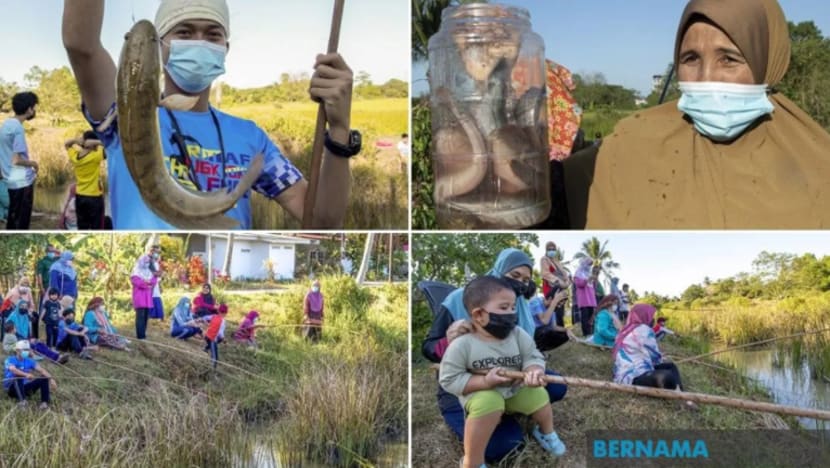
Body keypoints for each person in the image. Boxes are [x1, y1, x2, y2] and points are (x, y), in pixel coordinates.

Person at [62, 0, 356, 230]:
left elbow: (321, 222)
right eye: (184, 32)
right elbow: (80, 44)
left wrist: (340, 129)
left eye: (213, 34)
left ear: (225, 48)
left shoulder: (252, 138)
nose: (199, 42)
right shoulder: (120, 118)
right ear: (162, 45)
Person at [565, 0, 830, 229]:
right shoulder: (630, 145)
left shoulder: (818, 164)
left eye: (728, 59)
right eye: (691, 58)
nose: (706, 78)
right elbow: (564, 184)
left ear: (767, 64)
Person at [422, 248, 568, 462]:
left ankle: (517, 414)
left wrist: (533, 368)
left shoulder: (519, 307)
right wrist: (448, 341)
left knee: (554, 387)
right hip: (469, 385)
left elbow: (530, 352)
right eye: (515, 275)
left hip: (511, 381)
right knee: (505, 445)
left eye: (525, 280)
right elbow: (429, 349)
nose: (520, 283)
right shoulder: (459, 301)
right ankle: (483, 430)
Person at [613, 304, 691, 405]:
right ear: (644, 316)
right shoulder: (644, 329)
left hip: (622, 375)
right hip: (634, 377)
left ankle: (680, 393)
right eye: (651, 316)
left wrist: (659, 358)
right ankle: (681, 394)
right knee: (667, 376)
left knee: (670, 366)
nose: (652, 319)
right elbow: (655, 357)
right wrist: (661, 358)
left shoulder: (625, 330)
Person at [0, 92, 39, 230]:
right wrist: (33, 164)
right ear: (29, 109)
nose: (34, 110)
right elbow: (16, 159)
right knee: (21, 221)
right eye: (34, 107)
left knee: (13, 217)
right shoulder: (18, 128)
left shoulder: (6, 124)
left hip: (10, 179)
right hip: (22, 182)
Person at [3, 340, 56, 409]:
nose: (26, 352)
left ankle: (44, 403)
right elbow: (13, 370)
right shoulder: (10, 359)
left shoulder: (30, 361)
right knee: (18, 376)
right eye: (24, 350)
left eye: (27, 350)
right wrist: (26, 375)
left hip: (25, 388)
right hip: (12, 389)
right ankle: (23, 402)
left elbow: (42, 370)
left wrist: (51, 379)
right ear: (17, 350)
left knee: (44, 378)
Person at [131, 255, 158, 340]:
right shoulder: (136, 271)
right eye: (145, 262)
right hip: (139, 297)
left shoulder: (149, 271)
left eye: (148, 262)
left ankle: (143, 333)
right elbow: (137, 282)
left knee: (146, 316)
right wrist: (147, 284)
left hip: (148, 298)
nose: (147, 264)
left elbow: (154, 280)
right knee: (140, 316)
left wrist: (148, 282)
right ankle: (140, 335)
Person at [573, 258, 597, 336]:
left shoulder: (589, 274)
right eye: (588, 264)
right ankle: (586, 333)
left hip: (591, 300)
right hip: (584, 299)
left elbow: (593, 287)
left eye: (590, 265)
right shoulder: (578, 273)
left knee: (591, 317)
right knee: (585, 317)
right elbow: (579, 284)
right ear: (584, 264)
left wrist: (594, 281)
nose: (589, 266)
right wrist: (587, 280)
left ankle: (591, 333)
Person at [204, 303, 228, 369]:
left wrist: (207, 323)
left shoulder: (213, 316)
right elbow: (220, 334)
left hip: (207, 336)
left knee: (218, 340)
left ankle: (206, 348)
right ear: (225, 313)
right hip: (212, 339)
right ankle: (213, 367)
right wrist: (224, 340)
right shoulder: (222, 321)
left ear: (218, 311)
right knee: (215, 356)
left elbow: (205, 317)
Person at [148, 245, 165, 321]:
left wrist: (160, 285)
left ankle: (159, 315)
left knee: (157, 297)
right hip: (149, 284)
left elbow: (158, 276)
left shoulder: (156, 263)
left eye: (158, 252)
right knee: (150, 298)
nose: (157, 254)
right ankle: (150, 315)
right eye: (156, 252)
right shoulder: (148, 262)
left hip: (156, 284)